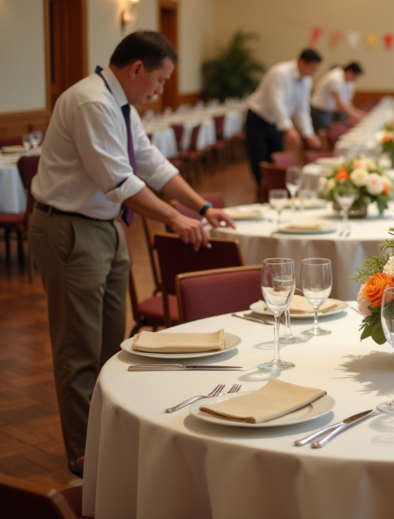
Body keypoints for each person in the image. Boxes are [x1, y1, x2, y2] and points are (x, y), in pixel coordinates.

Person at [29, 30, 236, 477]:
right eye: (159, 82)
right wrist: (174, 219)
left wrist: (198, 206)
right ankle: (85, 459)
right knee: (78, 349)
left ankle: (107, 444)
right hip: (70, 229)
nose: (160, 92)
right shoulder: (91, 102)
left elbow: (152, 165)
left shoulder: (121, 104)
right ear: (137, 68)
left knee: (109, 345)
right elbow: (118, 182)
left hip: (105, 227)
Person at [245, 48, 322, 183]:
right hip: (259, 119)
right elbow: (276, 103)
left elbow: (302, 109)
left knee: (276, 159)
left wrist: (308, 134)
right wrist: (289, 128)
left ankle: (274, 189)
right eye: (312, 68)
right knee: (260, 161)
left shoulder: (306, 81)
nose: (313, 72)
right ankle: (263, 191)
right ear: (302, 62)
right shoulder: (280, 73)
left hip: (277, 123)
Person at [310, 61, 366, 140]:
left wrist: (357, 113)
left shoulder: (349, 82)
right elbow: (339, 102)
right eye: (355, 77)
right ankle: (322, 152)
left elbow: (347, 103)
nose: (355, 80)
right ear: (350, 72)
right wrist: (355, 115)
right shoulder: (335, 77)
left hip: (330, 110)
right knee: (324, 136)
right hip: (319, 110)